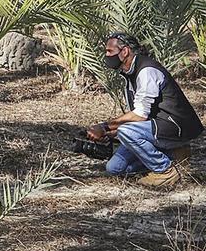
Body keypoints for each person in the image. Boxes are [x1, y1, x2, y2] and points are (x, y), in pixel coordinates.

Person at [85, 32, 203, 189]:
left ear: (125, 51)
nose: (106, 55)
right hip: (155, 126)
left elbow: (139, 115)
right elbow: (140, 115)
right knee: (114, 169)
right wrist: (112, 133)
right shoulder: (129, 73)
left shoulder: (146, 71)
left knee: (127, 131)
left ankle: (165, 170)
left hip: (175, 126)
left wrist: (104, 127)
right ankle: (175, 156)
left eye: (109, 51)